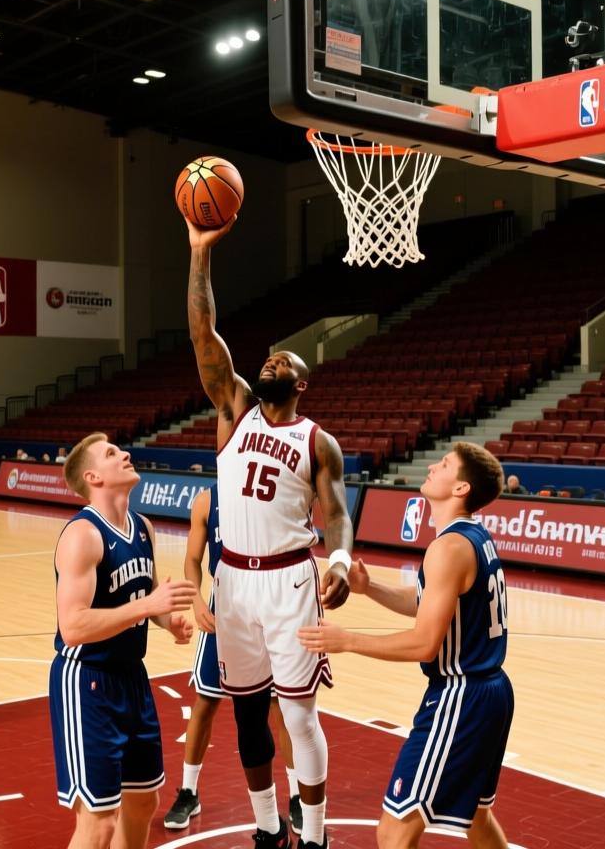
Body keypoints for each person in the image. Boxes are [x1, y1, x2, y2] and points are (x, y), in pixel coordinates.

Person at [186, 216, 352, 849]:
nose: (270, 359)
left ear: (301, 383)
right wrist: (201, 255)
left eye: (284, 359)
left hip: (289, 582)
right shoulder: (234, 409)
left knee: (300, 714)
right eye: (267, 357)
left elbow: (335, 511)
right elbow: (204, 333)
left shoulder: (317, 440)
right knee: (247, 711)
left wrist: (338, 561)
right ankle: (266, 826)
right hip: (233, 583)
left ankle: (314, 835)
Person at [299, 442, 513, 849]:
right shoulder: (471, 538)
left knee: (394, 830)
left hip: (460, 695)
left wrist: (347, 641)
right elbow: (427, 603)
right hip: (491, 692)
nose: (433, 466)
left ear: (461, 488)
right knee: (477, 817)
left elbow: (425, 643)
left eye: (445, 464)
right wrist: (370, 588)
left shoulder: (448, 548)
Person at [49, 433, 196, 849]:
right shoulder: (83, 535)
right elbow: (73, 626)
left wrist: (168, 620)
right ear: (93, 477)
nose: (125, 454)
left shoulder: (143, 528)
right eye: (112, 453)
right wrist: (150, 606)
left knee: (143, 802)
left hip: (132, 678)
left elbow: (141, 592)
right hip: (87, 682)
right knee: (99, 823)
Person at [163, 486, 303, 834]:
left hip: (271, 605)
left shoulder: (271, 491)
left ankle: (298, 795)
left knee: (278, 705)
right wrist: (196, 599)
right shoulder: (207, 500)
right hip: (224, 604)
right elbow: (192, 559)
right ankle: (188, 792)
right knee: (206, 700)